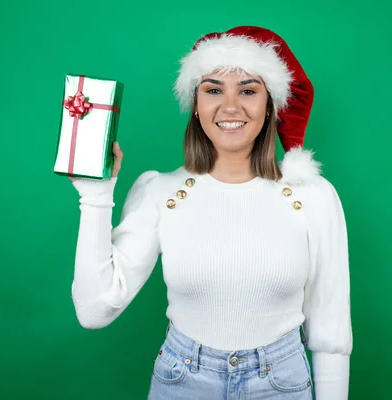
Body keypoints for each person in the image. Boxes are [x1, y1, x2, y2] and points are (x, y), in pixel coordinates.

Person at [69, 26, 353, 399]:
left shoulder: (313, 197)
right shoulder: (160, 192)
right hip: (182, 381)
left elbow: (330, 331)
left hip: (281, 384)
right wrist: (95, 193)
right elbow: (94, 311)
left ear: (270, 106)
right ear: (196, 104)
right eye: (214, 89)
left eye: (248, 90)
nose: (230, 106)